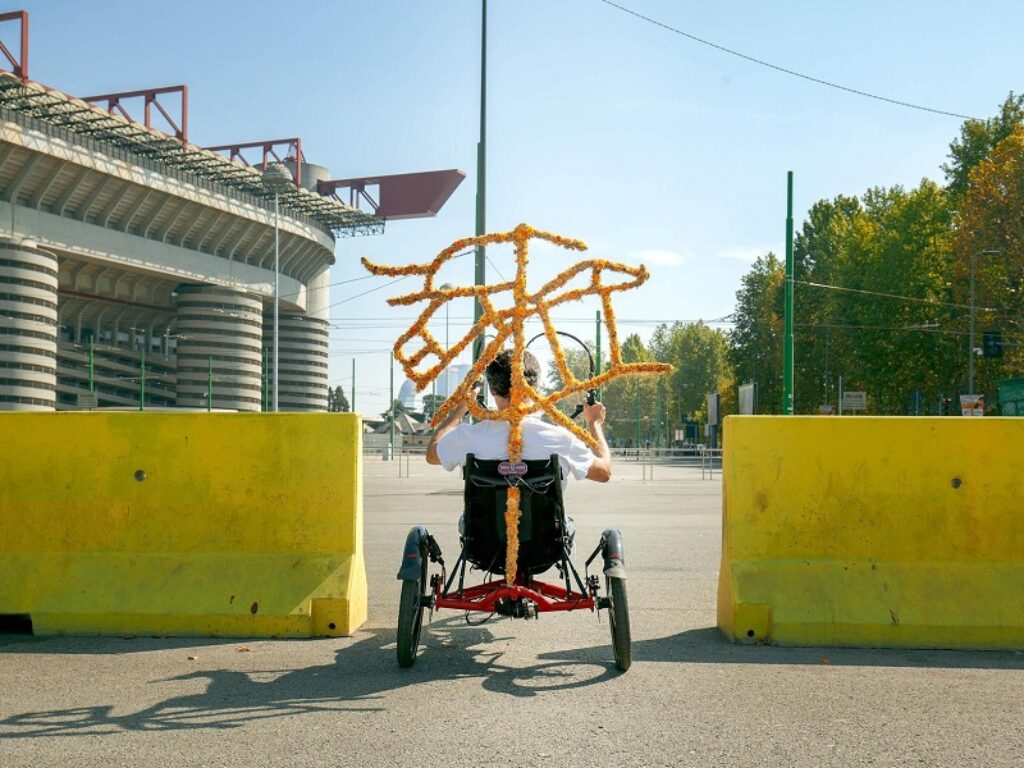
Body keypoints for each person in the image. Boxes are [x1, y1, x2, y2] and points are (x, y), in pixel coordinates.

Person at [426, 349, 611, 485]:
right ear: (535, 387)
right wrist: (594, 424)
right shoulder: (561, 439)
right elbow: (604, 472)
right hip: (546, 537)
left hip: (484, 537)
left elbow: (432, 454)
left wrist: (459, 411)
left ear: (491, 389)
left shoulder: (467, 436)